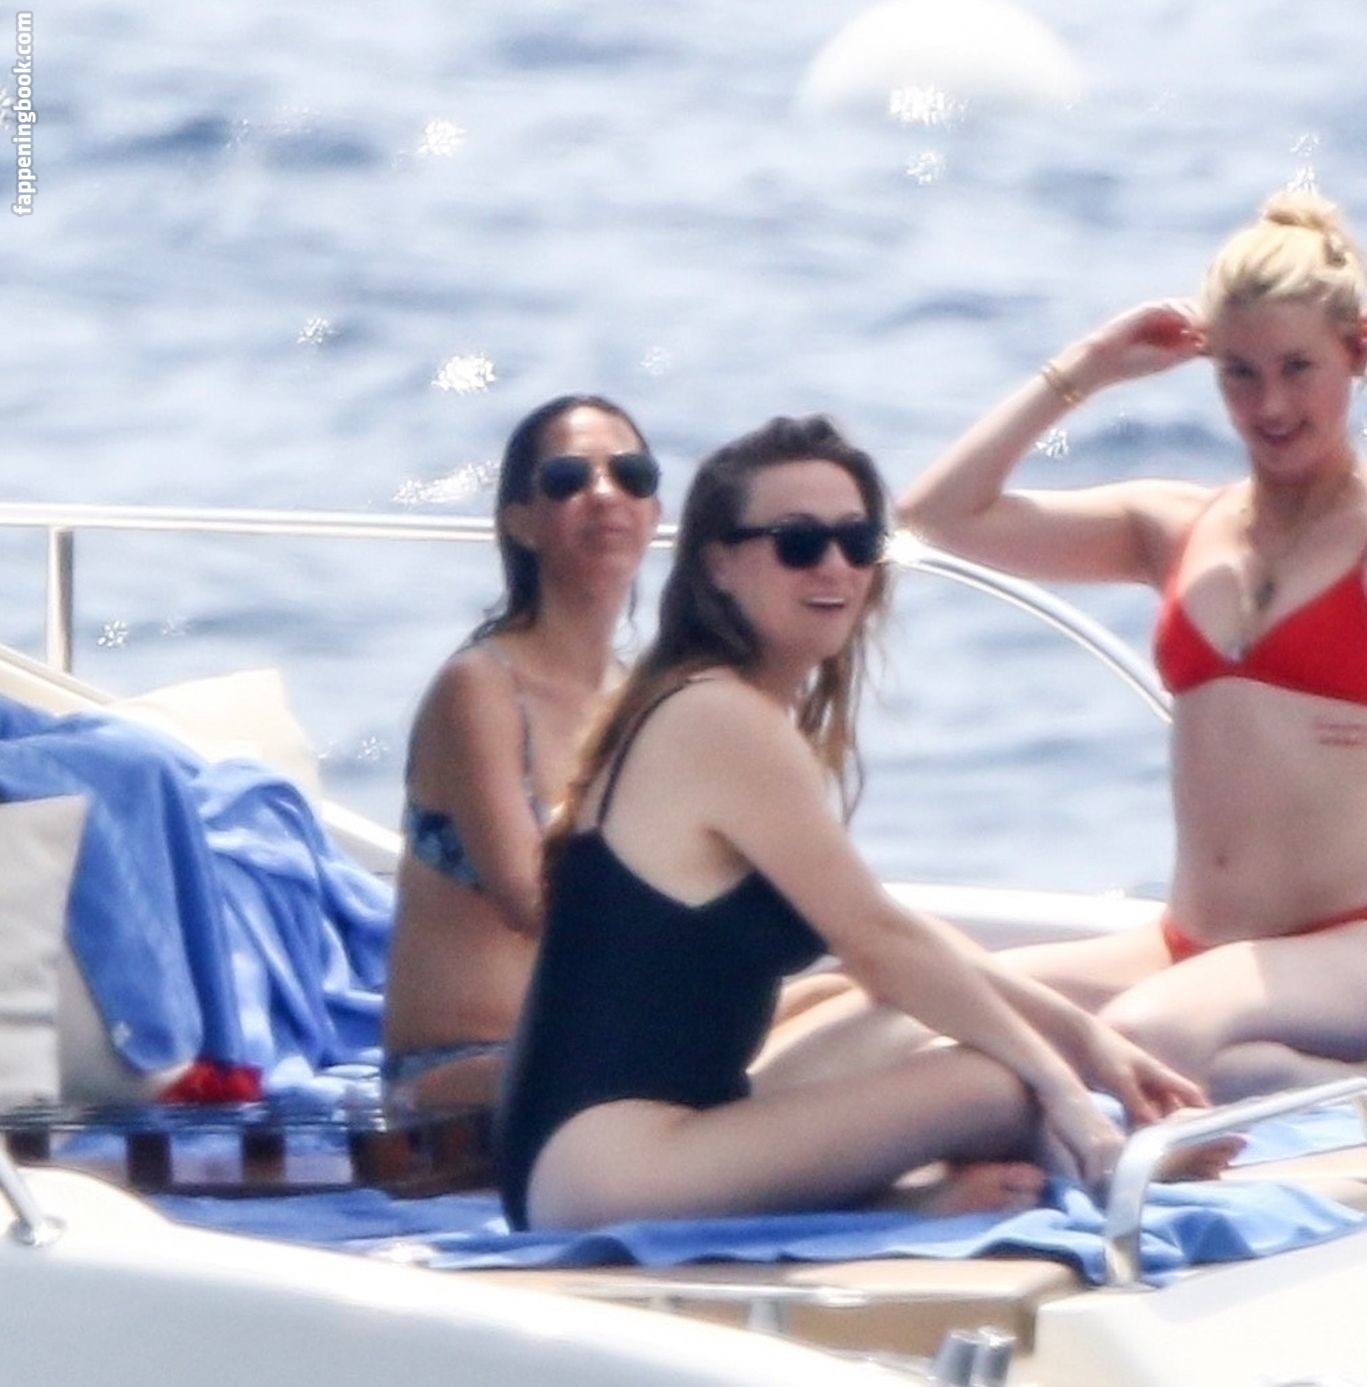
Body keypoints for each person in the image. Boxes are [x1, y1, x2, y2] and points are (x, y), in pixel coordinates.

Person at [889, 189, 1367, 1099]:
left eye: (1299, 367)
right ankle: (1328, 1077)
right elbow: (938, 514)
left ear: (1356, 359)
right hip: (1191, 943)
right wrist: (1088, 367)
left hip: (1352, 944)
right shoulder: (1170, 526)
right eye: (1239, 373)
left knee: (1141, 1040)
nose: (1271, 403)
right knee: (925, 1005)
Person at [494, 414, 1203, 1231]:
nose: (834, 564)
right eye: (798, 543)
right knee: (994, 1083)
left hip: (607, 1143)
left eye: (857, 540)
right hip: (601, 1172)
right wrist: (1067, 1087)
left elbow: (895, 938)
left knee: (877, 1007)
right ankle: (1106, 1158)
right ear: (718, 563)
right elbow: (879, 942)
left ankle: (950, 1181)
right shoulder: (719, 718)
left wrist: (1090, 1040)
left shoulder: (716, 701)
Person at [381, 394, 662, 1109]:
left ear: (655, 512)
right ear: (520, 523)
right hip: (465, 1071)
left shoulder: (640, 701)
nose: (606, 494)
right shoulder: (480, 689)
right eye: (568, 478)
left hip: (603, 1047)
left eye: (630, 474)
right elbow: (536, 901)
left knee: (855, 997)